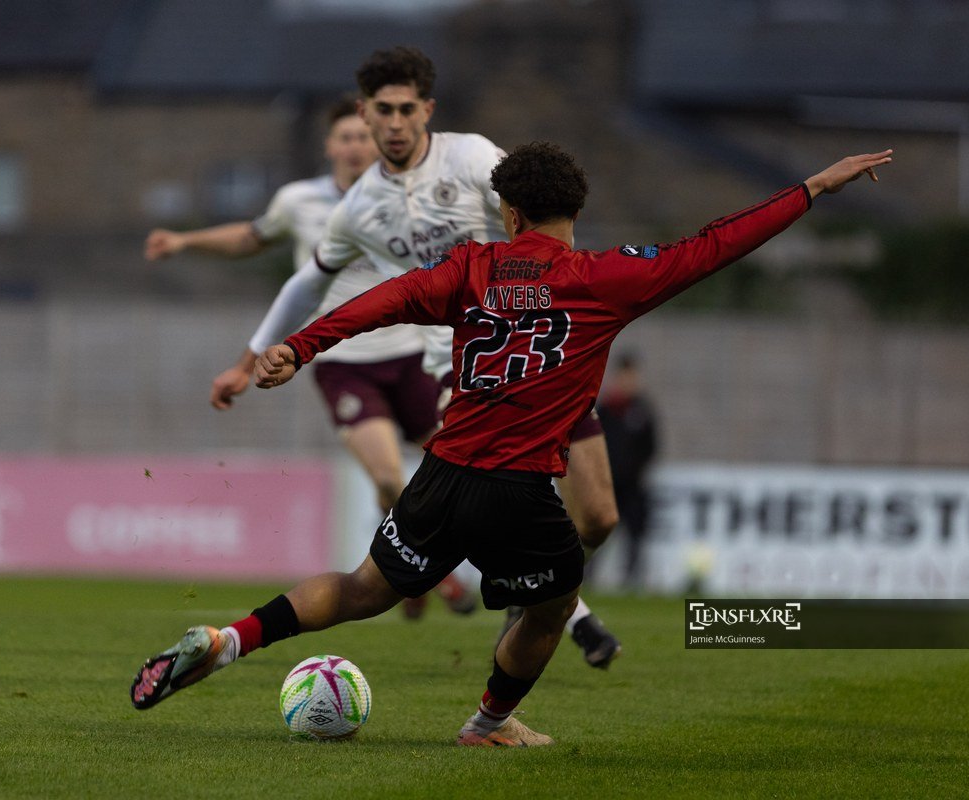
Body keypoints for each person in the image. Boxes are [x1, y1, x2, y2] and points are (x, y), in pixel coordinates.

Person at [129, 140, 893, 747]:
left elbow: (380, 301)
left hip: (444, 471)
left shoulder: (473, 267)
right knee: (555, 603)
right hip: (519, 487)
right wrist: (813, 188)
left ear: (509, 210)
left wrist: (302, 348)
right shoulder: (607, 278)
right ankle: (487, 726)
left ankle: (232, 639)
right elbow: (717, 244)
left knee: (364, 588)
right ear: (574, 209)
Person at [209, 46, 621, 665]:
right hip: (463, 370)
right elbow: (308, 283)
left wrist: (568, 308)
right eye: (383, 111)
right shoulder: (358, 209)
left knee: (599, 519)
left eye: (407, 109)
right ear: (365, 114)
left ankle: (533, 594)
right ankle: (533, 611)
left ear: (426, 110)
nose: (396, 123)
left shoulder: (474, 157)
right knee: (477, 495)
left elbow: (548, 214)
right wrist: (248, 359)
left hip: (545, 353)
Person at [144, 98, 473, 615]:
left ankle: (417, 568)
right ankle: (421, 573)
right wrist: (186, 240)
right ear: (329, 146)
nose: (355, 146)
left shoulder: (413, 201)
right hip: (343, 363)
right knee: (389, 478)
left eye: (362, 136)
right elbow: (252, 238)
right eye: (345, 137)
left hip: (415, 356)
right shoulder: (301, 201)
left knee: (463, 473)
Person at [595, 353, 659, 589]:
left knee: (635, 534)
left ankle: (631, 580)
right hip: (606, 484)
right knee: (598, 531)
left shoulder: (643, 410)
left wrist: (637, 470)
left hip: (633, 486)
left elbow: (651, 446)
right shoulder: (606, 408)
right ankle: (588, 577)